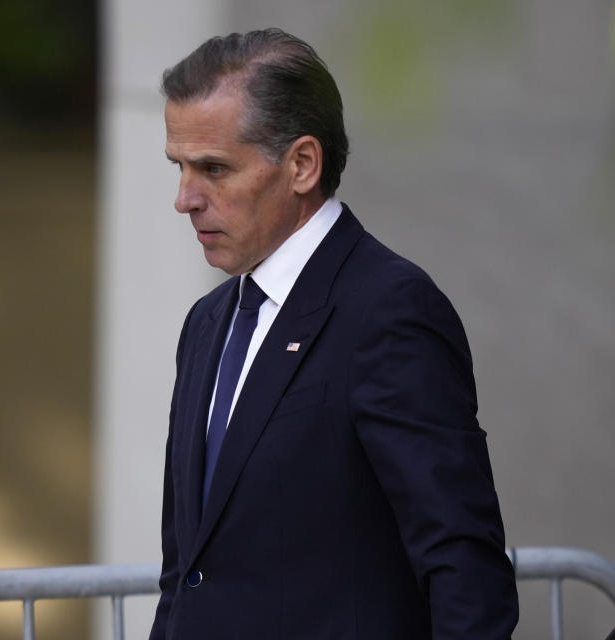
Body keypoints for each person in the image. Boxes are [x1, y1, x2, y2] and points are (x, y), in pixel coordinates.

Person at [150, 28, 519, 639]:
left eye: (213, 168)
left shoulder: (389, 310)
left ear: (301, 164)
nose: (185, 198)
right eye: (180, 167)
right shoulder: (207, 324)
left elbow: (462, 565)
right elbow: (187, 574)